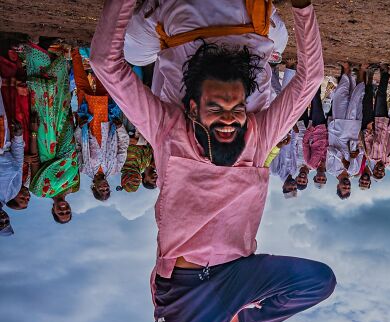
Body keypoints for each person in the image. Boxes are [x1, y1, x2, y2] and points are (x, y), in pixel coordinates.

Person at [91, 0, 335, 322]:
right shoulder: (186, 129)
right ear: (192, 107)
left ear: (246, 109)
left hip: (187, 290)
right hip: (240, 272)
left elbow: (105, 64)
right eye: (217, 110)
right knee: (320, 282)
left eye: (236, 110)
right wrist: (303, 7)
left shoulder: (192, 132)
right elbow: (310, 78)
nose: (229, 121)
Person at [123, 0, 288, 114]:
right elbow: (162, 62)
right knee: (134, 54)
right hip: (180, 13)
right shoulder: (174, 118)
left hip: (246, 15)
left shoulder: (257, 117)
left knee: (277, 44)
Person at [21, 44, 79, 224]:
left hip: (46, 139)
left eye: (61, 213)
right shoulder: (74, 186)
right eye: (68, 212)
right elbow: (74, 158)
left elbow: (35, 160)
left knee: (42, 101)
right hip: (66, 134)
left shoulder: (39, 190)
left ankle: (37, 49)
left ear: (53, 211)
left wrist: (32, 132)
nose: (64, 210)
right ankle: (55, 53)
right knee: (62, 99)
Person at [72, 48, 129, 201]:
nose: (104, 187)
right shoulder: (116, 168)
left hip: (88, 123)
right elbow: (123, 145)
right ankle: (98, 52)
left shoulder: (83, 168)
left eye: (101, 190)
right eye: (106, 189)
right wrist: (119, 127)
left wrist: (80, 127)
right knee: (104, 83)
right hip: (107, 121)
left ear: (94, 188)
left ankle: (75, 52)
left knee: (82, 86)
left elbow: (77, 145)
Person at [360, 65, 390, 178]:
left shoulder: (370, 155)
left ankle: (385, 73)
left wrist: (369, 128)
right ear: (384, 172)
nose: (379, 171)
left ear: (374, 169)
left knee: (380, 97)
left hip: (379, 123)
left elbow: (368, 139)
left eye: (376, 172)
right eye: (381, 173)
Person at [327, 62, 364, 192]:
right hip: (353, 130)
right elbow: (362, 152)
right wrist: (358, 152)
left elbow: (330, 149)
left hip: (338, 128)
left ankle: (346, 70)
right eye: (348, 187)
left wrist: (342, 158)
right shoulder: (354, 170)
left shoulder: (331, 169)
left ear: (338, 186)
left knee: (340, 96)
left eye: (344, 187)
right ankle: (360, 70)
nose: (346, 185)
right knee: (357, 98)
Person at [0, 121, 28, 231]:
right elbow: (18, 161)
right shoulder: (12, 192)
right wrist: (18, 137)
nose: (3, 218)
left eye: (0, 223)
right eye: (6, 221)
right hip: (4, 138)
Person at [303, 86, 330, 188]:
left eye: (318, 179)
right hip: (330, 129)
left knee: (316, 100)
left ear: (314, 178)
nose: (321, 177)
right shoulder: (330, 166)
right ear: (326, 178)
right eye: (323, 180)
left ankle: (316, 77)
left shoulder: (310, 163)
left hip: (318, 128)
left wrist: (311, 129)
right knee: (332, 101)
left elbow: (305, 144)